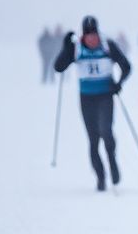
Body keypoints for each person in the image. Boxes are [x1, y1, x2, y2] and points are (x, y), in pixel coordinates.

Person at [53, 15, 132, 191]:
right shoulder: (76, 48)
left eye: (94, 34)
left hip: (105, 96)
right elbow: (58, 67)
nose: (92, 38)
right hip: (86, 98)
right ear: (84, 35)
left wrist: (119, 84)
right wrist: (65, 48)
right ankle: (100, 177)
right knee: (93, 138)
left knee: (106, 131)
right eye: (88, 35)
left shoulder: (107, 45)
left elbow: (126, 66)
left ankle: (112, 161)